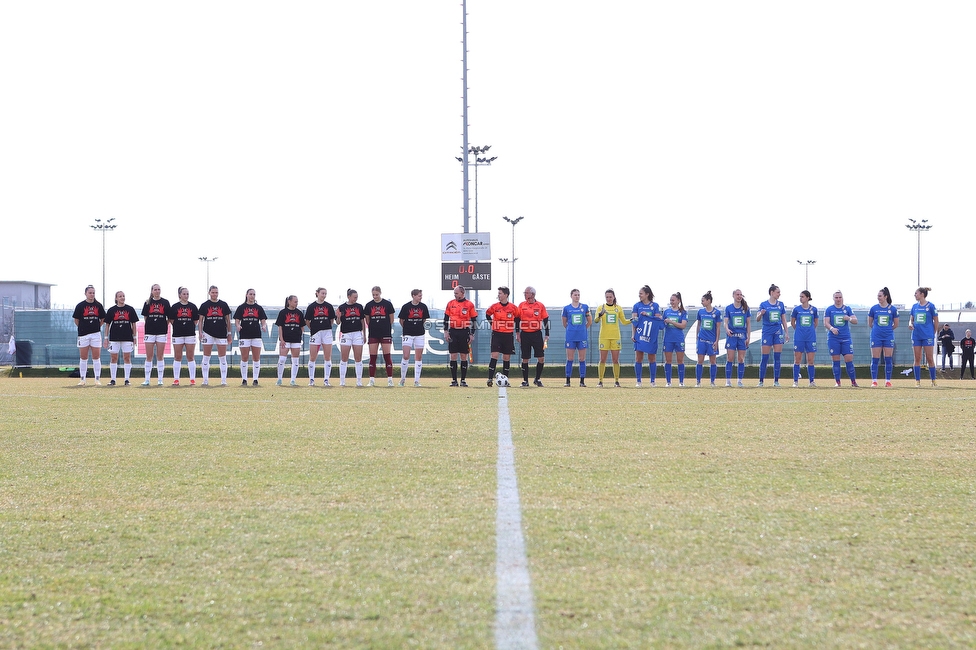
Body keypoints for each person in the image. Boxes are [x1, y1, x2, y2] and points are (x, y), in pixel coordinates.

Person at [594, 289, 631, 387]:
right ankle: (600, 381)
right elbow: (596, 320)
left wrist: (632, 320)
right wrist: (600, 315)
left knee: (615, 360)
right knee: (602, 359)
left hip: (615, 337)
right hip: (604, 337)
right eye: (607, 297)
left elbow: (624, 321)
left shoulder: (618, 308)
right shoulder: (601, 308)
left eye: (610, 297)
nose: (609, 299)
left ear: (614, 297)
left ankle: (616, 381)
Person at [197, 285, 232, 386]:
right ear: (209, 293)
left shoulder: (223, 304)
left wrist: (229, 333)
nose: (214, 294)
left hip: (221, 334)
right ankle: (205, 380)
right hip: (207, 333)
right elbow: (200, 321)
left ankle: (223, 381)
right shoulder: (204, 305)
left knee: (222, 358)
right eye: (213, 292)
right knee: (206, 357)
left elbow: (228, 320)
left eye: (216, 292)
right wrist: (200, 332)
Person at [756, 284, 789, 387]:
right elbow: (757, 319)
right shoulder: (763, 304)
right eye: (778, 292)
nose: (779, 294)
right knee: (764, 358)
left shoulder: (781, 304)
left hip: (778, 332)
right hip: (767, 332)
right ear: (772, 292)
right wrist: (761, 314)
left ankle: (776, 381)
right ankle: (761, 381)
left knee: (777, 357)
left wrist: (786, 333)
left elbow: (783, 319)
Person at [103, 290, 139, 386]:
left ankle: (127, 380)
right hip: (114, 337)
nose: (122, 298)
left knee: (127, 358)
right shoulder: (111, 310)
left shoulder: (130, 309)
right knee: (113, 357)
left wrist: (134, 337)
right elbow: (107, 325)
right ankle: (113, 380)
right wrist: (106, 338)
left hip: (127, 337)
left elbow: (134, 324)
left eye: (123, 296)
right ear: (116, 298)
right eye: (120, 296)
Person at [516, 286, 550, 387]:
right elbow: (517, 319)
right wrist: (517, 333)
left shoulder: (540, 305)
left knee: (541, 358)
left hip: (537, 334)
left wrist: (547, 334)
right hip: (525, 334)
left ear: (532, 294)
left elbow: (546, 320)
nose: (524, 294)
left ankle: (537, 379)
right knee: (525, 358)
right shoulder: (521, 305)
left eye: (526, 293)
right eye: (524, 292)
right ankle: (525, 380)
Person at [443, 286, 477, 387]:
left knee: (463, 356)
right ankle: (454, 380)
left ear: (462, 293)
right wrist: (446, 331)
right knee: (453, 355)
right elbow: (445, 318)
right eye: (454, 293)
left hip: (464, 332)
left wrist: (472, 333)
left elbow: (474, 320)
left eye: (456, 293)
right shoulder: (450, 303)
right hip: (453, 331)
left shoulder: (469, 304)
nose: (455, 294)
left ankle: (463, 380)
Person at [824, 290, 859, 388]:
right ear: (833, 298)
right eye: (836, 297)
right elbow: (826, 323)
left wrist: (849, 319)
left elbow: (855, 321)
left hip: (846, 338)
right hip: (833, 339)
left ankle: (853, 381)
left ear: (842, 298)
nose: (838, 299)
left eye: (840, 297)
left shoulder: (847, 309)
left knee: (849, 360)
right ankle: (838, 382)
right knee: (836, 360)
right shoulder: (829, 309)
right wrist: (832, 328)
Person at [72, 285, 105, 386]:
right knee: (83, 357)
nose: (92, 295)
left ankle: (97, 379)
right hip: (83, 335)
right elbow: (76, 320)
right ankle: (82, 379)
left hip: (95, 334)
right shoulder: (80, 305)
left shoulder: (98, 305)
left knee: (96, 357)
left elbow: (103, 319)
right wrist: (83, 328)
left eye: (93, 293)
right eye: (90, 293)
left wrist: (96, 327)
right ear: (85, 293)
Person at [234, 289, 268, 386]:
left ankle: (255, 379)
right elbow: (237, 320)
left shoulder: (259, 308)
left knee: (256, 358)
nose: (252, 296)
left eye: (254, 294)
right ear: (246, 295)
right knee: (244, 357)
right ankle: (244, 379)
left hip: (256, 335)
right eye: (250, 294)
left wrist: (264, 326)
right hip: (244, 335)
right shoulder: (241, 307)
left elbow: (263, 320)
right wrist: (238, 325)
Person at [485, 286, 518, 387]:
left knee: (506, 357)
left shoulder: (513, 307)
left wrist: (517, 331)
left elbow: (517, 318)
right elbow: (487, 314)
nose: (498, 295)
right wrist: (493, 324)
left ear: (506, 295)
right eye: (498, 293)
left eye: (500, 293)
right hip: (497, 334)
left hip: (508, 335)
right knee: (494, 355)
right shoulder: (494, 306)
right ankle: (490, 379)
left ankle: (505, 380)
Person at [364, 286, 396, 387]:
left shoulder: (387, 304)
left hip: (385, 333)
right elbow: (367, 320)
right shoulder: (369, 305)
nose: (375, 296)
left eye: (377, 294)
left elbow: (391, 319)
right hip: (373, 333)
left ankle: (390, 380)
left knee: (387, 357)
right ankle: (371, 380)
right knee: (372, 357)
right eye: (373, 295)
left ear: (380, 293)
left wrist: (385, 326)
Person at [632, 285, 663, 387]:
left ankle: (653, 381)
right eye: (639, 294)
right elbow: (634, 321)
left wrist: (648, 315)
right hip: (640, 335)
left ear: (647, 294)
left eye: (641, 293)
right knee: (638, 358)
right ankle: (638, 381)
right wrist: (633, 335)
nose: (639, 295)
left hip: (651, 336)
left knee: (652, 358)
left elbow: (658, 319)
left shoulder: (655, 306)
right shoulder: (637, 306)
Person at [398, 289, 430, 387]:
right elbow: (401, 320)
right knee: (406, 355)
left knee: (418, 357)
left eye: (421, 295)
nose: (421, 297)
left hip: (419, 334)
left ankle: (416, 381)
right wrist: (407, 328)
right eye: (419, 295)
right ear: (413, 296)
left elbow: (424, 320)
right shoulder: (406, 306)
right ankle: (402, 379)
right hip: (407, 333)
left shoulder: (423, 306)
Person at [867, 287, 898, 388]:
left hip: (888, 336)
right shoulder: (874, 308)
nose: (878, 298)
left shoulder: (892, 309)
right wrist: (877, 330)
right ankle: (874, 381)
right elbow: (870, 323)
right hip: (876, 336)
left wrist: (887, 330)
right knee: (875, 359)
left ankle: (888, 381)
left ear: (885, 297)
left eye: (880, 296)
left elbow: (896, 324)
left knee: (888, 359)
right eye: (878, 296)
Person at [909, 287, 939, 387]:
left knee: (929, 358)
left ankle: (933, 380)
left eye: (916, 293)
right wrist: (910, 324)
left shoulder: (931, 306)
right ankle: (917, 381)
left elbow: (936, 321)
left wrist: (933, 333)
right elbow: (911, 319)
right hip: (916, 335)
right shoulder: (914, 306)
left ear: (922, 294)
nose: (915, 295)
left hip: (927, 336)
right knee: (917, 358)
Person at [305, 288, 336, 386]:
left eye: (325, 293)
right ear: (317, 294)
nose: (324, 295)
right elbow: (307, 321)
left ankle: (326, 380)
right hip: (315, 333)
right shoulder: (311, 306)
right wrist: (313, 328)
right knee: (312, 357)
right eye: (322, 293)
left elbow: (332, 320)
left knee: (327, 357)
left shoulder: (329, 306)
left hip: (327, 332)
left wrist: (326, 327)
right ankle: (311, 380)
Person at [141, 284, 171, 386]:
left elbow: (169, 318)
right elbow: (145, 317)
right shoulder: (147, 302)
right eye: (155, 289)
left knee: (160, 356)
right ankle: (147, 380)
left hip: (161, 332)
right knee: (149, 356)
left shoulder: (165, 302)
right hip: (149, 332)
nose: (157, 291)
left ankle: (160, 380)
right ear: (152, 291)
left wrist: (163, 324)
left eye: (159, 289)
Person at [561, 288, 592, 387]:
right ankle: (567, 381)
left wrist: (583, 328)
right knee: (570, 358)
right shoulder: (566, 308)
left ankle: (582, 381)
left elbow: (589, 321)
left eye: (578, 295)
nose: (577, 296)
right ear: (571, 296)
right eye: (575, 295)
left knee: (582, 358)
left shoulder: (585, 307)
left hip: (582, 336)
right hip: (570, 336)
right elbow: (564, 323)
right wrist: (571, 329)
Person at [168, 287, 199, 386]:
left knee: (190, 356)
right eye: (184, 294)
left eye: (187, 294)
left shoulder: (193, 306)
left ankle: (192, 379)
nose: (186, 296)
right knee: (178, 356)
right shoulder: (175, 306)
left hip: (190, 334)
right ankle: (176, 379)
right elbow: (171, 320)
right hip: (178, 335)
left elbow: (195, 321)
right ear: (179, 295)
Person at [336, 289, 367, 387]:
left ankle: (359, 381)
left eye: (357, 297)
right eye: (354, 297)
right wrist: (338, 317)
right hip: (346, 334)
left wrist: (364, 334)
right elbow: (338, 322)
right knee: (344, 358)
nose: (356, 299)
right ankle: (342, 381)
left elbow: (362, 321)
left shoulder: (359, 307)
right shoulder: (342, 307)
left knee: (358, 358)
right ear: (349, 296)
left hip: (357, 334)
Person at [275, 295, 306, 386]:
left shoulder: (299, 313)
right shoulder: (283, 312)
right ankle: (279, 379)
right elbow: (280, 327)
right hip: (285, 339)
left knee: (295, 360)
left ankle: (293, 380)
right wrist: (282, 339)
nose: (296, 303)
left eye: (297, 302)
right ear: (289, 301)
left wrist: (299, 334)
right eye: (295, 301)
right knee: (282, 359)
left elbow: (302, 326)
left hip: (296, 340)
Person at [790, 290, 819, 388]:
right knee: (797, 359)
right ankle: (795, 381)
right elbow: (793, 322)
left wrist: (809, 331)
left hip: (810, 338)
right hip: (799, 338)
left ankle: (811, 381)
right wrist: (799, 330)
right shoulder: (796, 309)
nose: (800, 298)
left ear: (807, 298)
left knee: (810, 360)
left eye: (802, 296)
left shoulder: (814, 310)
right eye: (800, 296)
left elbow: (815, 323)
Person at [695, 290, 722, 387]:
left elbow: (718, 327)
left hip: (712, 341)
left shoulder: (717, 312)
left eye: (703, 300)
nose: (701, 302)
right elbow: (698, 325)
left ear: (709, 300)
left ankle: (712, 382)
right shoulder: (700, 312)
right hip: (701, 340)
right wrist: (697, 338)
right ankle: (698, 382)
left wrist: (717, 341)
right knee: (700, 360)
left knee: (713, 361)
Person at [724, 289, 751, 388]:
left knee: (741, 359)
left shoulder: (746, 308)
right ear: (733, 296)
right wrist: (727, 329)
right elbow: (725, 322)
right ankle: (728, 381)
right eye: (737, 294)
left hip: (742, 336)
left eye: (740, 295)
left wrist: (748, 337)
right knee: (730, 358)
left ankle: (739, 381)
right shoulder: (728, 308)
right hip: (732, 336)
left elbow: (748, 324)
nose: (739, 296)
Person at [662, 292, 689, 387]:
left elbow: (683, 325)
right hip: (668, 339)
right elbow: (662, 325)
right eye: (670, 300)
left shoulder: (683, 312)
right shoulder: (666, 312)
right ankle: (668, 382)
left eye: (673, 300)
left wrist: (671, 322)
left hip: (679, 339)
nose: (671, 302)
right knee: (668, 361)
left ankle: (681, 382)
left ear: (678, 301)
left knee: (680, 360)